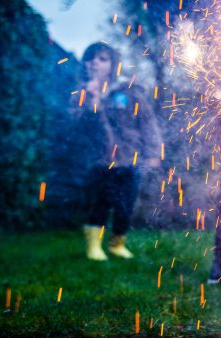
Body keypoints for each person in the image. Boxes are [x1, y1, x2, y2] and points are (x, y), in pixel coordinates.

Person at [69, 42, 161, 261]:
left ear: (112, 65)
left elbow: (147, 122)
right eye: (90, 59)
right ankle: (94, 245)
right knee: (101, 201)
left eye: (102, 59)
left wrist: (154, 151)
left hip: (131, 157)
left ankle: (117, 243)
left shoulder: (127, 91)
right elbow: (77, 124)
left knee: (126, 203)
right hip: (100, 159)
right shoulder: (80, 93)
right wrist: (92, 103)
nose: (95, 63)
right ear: (84, 65)